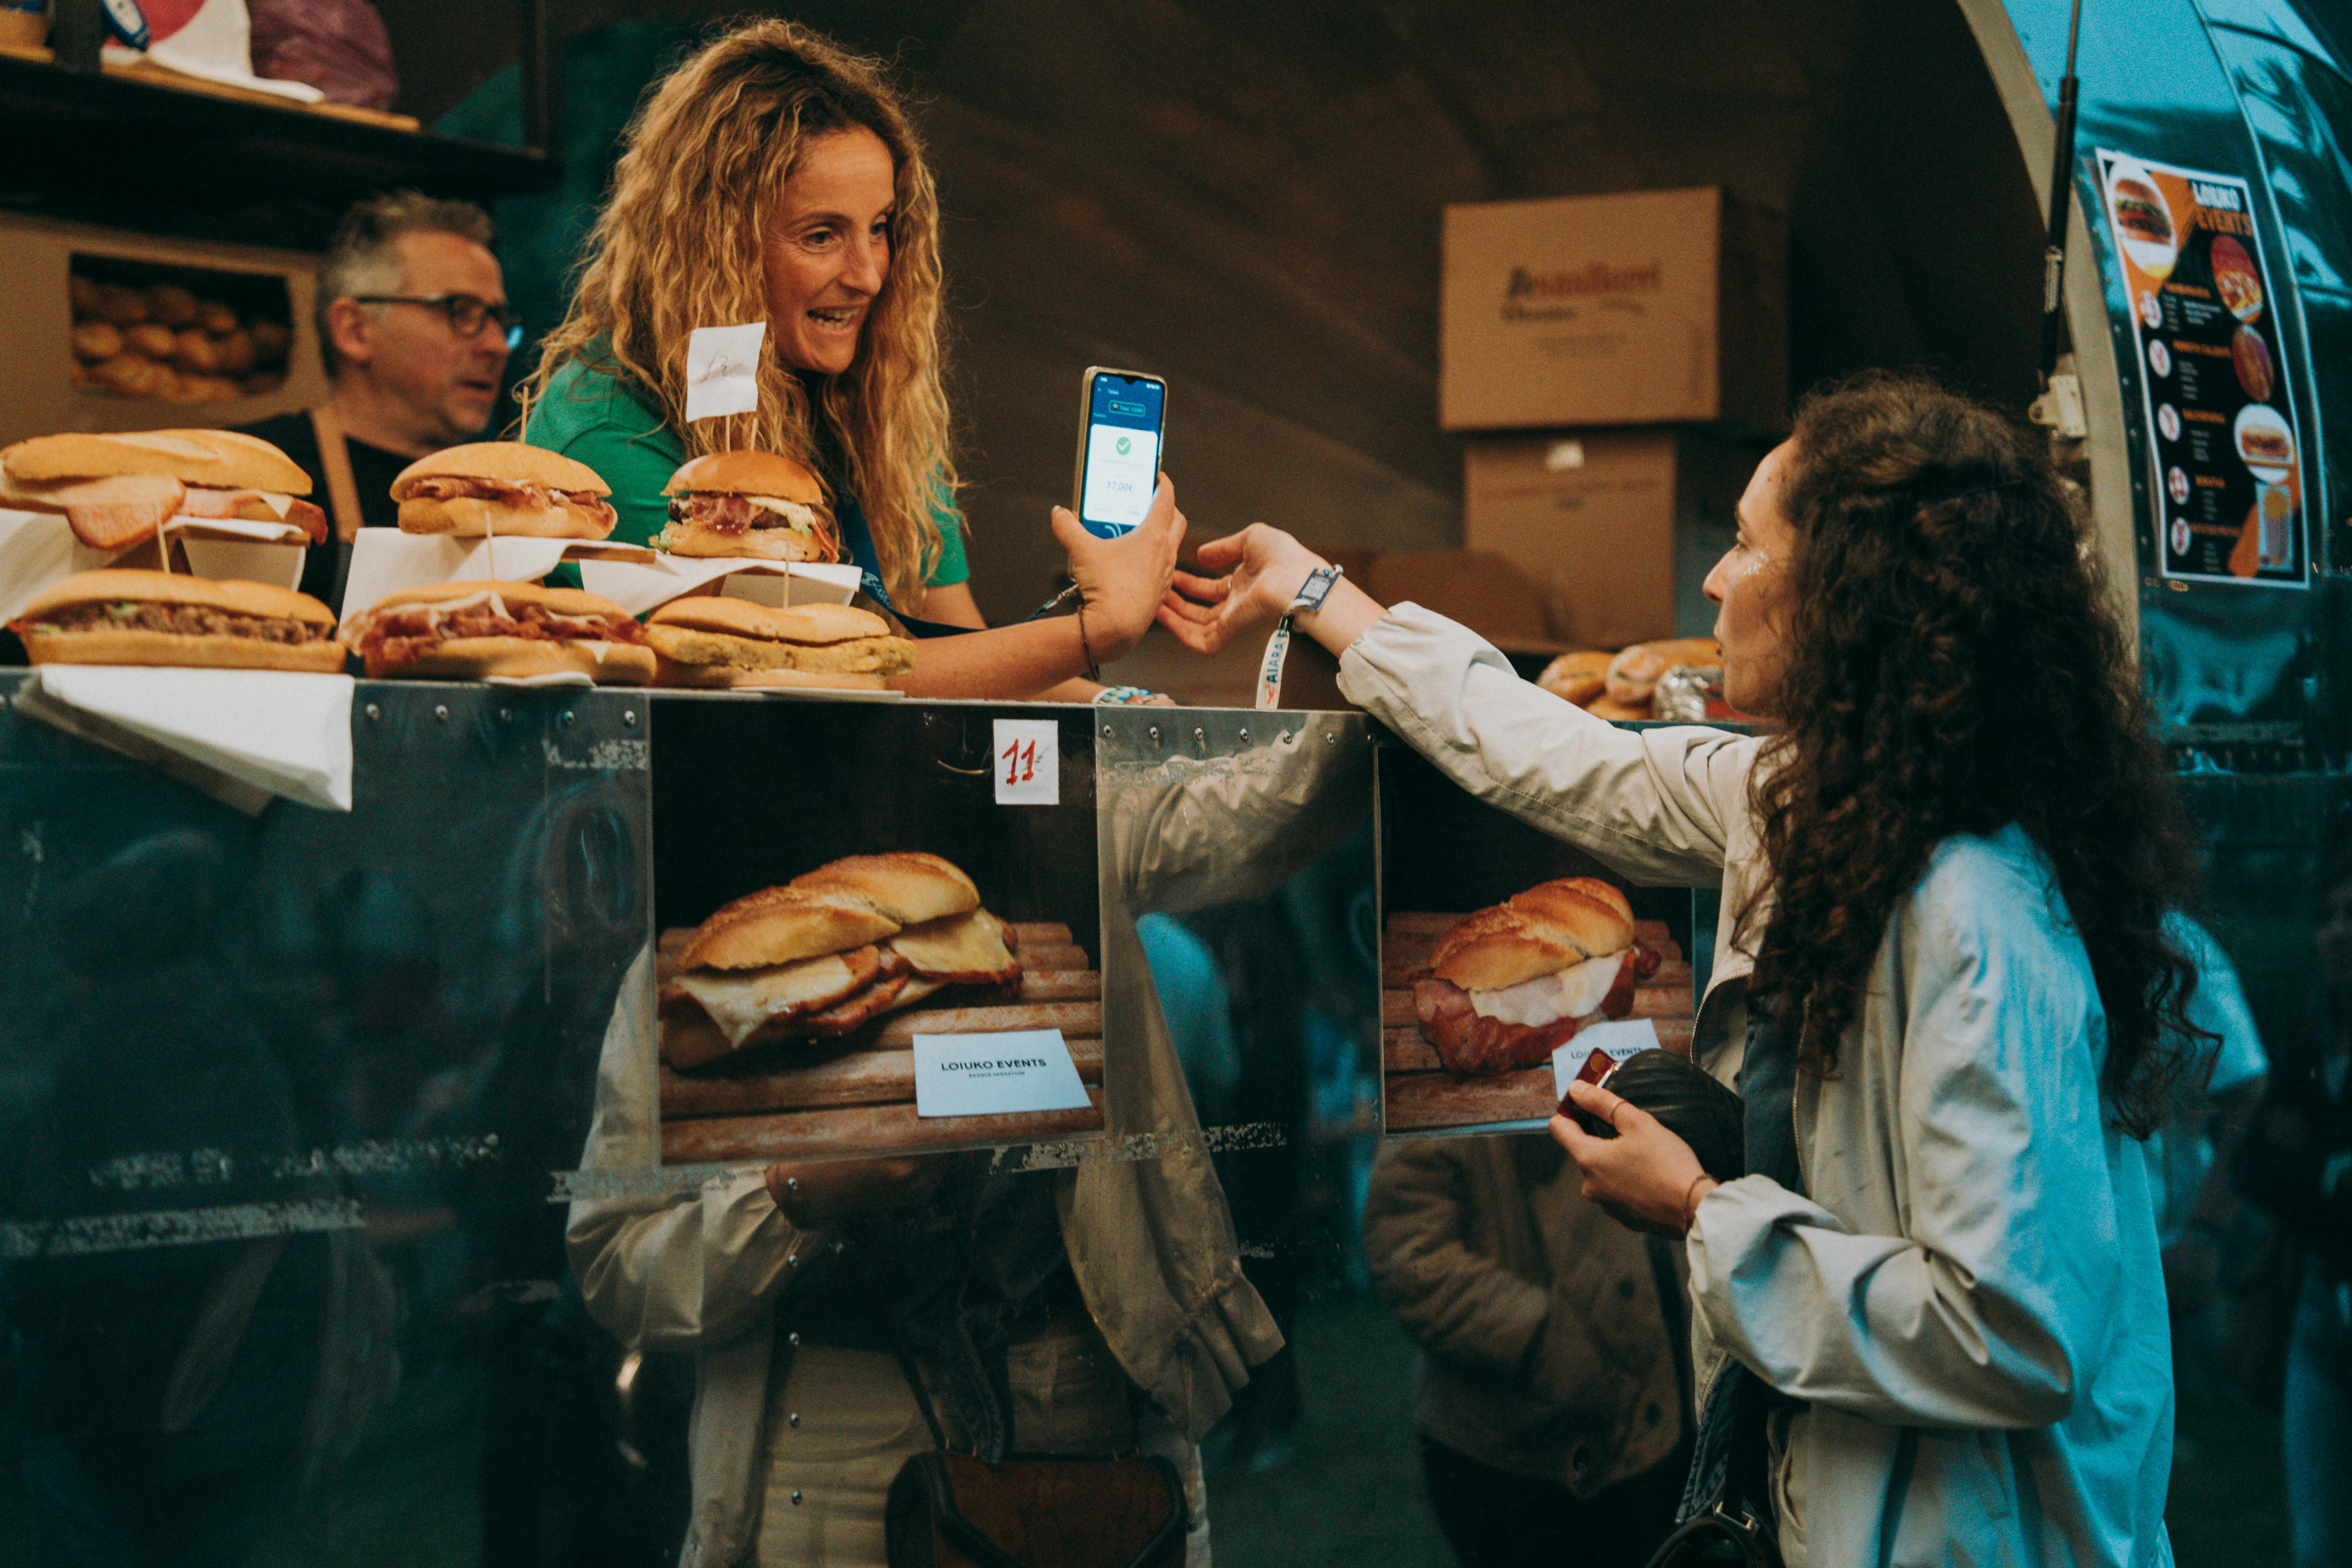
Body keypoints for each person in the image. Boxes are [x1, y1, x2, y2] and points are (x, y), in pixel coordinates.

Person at [1162, 371, 2198, 1566]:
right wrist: (1316, 592)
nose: (1711, 579)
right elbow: (1565, 758)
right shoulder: (1814, 802)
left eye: (1747, 546)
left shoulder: (1972, 907)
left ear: (1849, 595)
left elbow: (2010, 1333)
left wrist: (1701, 1208)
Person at [521, 20, 1178, 702]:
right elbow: (809, 669)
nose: (868, 275)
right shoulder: (610, 425)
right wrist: (1095, 632)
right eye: (821, 235)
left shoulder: (867, 406)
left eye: (881, 228)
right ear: (718, 246)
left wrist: (1131, 707)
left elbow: (968, 653)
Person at [1363, 1133, 1689, 1568]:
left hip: (1653, 1421)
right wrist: (1544, 1341)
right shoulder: (1440, 1097)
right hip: (1516, 1446)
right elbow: (1408, 1253)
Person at [240, 190, 518, 609]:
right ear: (355, 330)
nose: (497, 346)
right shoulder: (260, 483)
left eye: (499, 319)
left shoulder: (500, 500)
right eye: (460, 311)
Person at [2236, 845, 2352, 1568]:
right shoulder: (2310, 1036)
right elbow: (2255, 1165)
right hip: (2318, 1307)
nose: (2334, 932)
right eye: (2328, 915)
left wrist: (2311, 1166)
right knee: (2320, 1545)